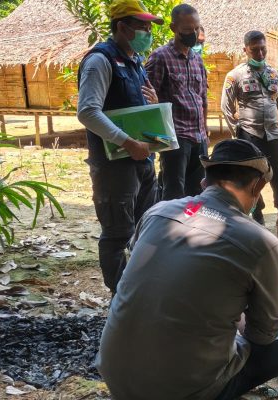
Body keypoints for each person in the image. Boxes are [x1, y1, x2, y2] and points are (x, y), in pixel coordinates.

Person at [97, 139, 278, 400]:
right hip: (183, 389)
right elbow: (264, 335)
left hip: (115, 375)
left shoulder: (158, 212)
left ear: (205, 181)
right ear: (257, 186)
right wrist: (238, 317)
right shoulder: (261, 243)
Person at [76, 0, 162, 294]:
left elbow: (133, 108)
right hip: (115, 167)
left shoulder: (136, 61)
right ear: (122, 27)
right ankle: (120, 298)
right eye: (142, 27)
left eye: (149, 27)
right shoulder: (100, 61)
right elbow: (88, 112)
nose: (148, 32)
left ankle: (140, 291)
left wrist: (152, 103)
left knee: (146, 228)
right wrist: (127, 142)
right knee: (118, 234)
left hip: (143, 161)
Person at [222, 30, 278, 225]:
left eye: (263, 49)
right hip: (249, 134)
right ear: (245, 50)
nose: (260, 54)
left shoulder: (275, 74)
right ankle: (257, 214)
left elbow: (277, 99)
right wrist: (237, 131)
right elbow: (226, 107)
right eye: (254, 50)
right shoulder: (235, 76)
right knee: (250, 177)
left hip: (273, 134)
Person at [146, 3, 209, 201]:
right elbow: (147, 99)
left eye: (196, 28)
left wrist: (205, 131)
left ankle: (192, 222)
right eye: (188, 30)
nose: (194, 34)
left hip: (199, 138)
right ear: (174, 28)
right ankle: (170, 223)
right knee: (173, 194)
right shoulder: (160, 57)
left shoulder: (197, 59)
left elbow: (202, 98)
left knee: (198, 193)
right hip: (175, 138)